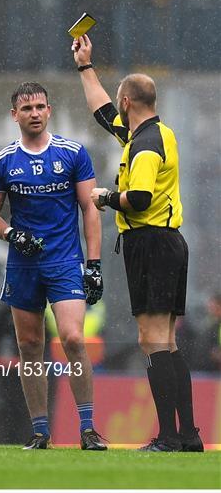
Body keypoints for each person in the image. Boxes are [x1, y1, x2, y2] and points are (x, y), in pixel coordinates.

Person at [72, 34, 203, 452]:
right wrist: (84, 66)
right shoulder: (152, 132)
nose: (115, 105)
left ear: (128, 100)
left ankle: (168, 436)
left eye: (118, 99)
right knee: (166, 340)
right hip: (166, 242)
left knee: (151, 340)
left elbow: (141, 198)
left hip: (151, 243)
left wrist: (105, 197)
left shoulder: (143, 146)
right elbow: (102, 112)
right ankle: (188, 436)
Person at [0, 82, 106, 450]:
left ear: (49, 110)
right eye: (27, 109)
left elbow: (90, 208)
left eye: (40, 107)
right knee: (31, 346)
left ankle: (87, 429)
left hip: (64, 261)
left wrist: (94, 264)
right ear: (14, 115)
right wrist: (10, 235)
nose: (34, 113)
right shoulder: (4, 161)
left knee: (72, 339)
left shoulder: (72, 153)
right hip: (23, 265)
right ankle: (40, 431)